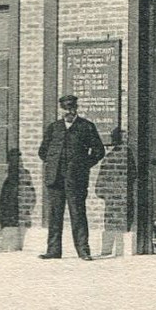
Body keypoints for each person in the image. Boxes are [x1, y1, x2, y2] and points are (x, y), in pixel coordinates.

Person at [37, 93, 107, 260]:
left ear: (76, 109)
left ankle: (83, 250)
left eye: (72, 108)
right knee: (54, 215)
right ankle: (53, 250)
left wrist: (83, 165)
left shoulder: (86, 127)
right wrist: (53, 163)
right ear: (61, 110)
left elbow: (99, 151)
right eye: (66, 108)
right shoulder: (53, 127)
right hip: (55, 178)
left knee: (78, 213)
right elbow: (42, 151)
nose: (69, 111)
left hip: (76, 178)